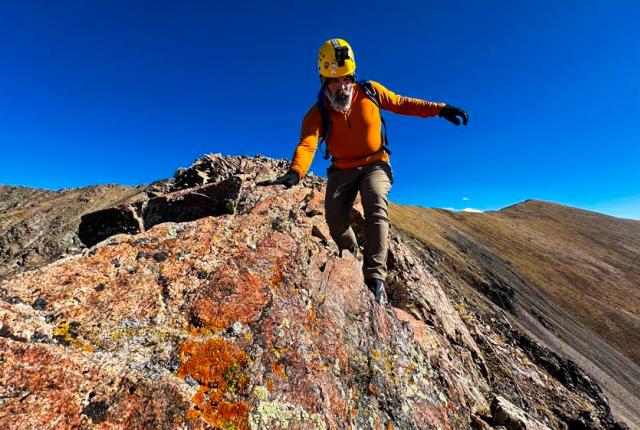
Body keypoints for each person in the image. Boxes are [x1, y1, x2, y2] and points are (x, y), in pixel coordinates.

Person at [259, 38, 468, 304]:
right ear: (324, 81)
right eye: (335, 80)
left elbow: (402, 103)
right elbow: (308, 142)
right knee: (334, 217)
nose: (342, 85)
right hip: (341, 170)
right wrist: (296, 171)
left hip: (375, 164)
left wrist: (440, 109)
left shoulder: (371, 91)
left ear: (353, 75)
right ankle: (350, 252)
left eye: (346, 78)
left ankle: (374, 278)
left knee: (375, 201)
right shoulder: (318, 112)